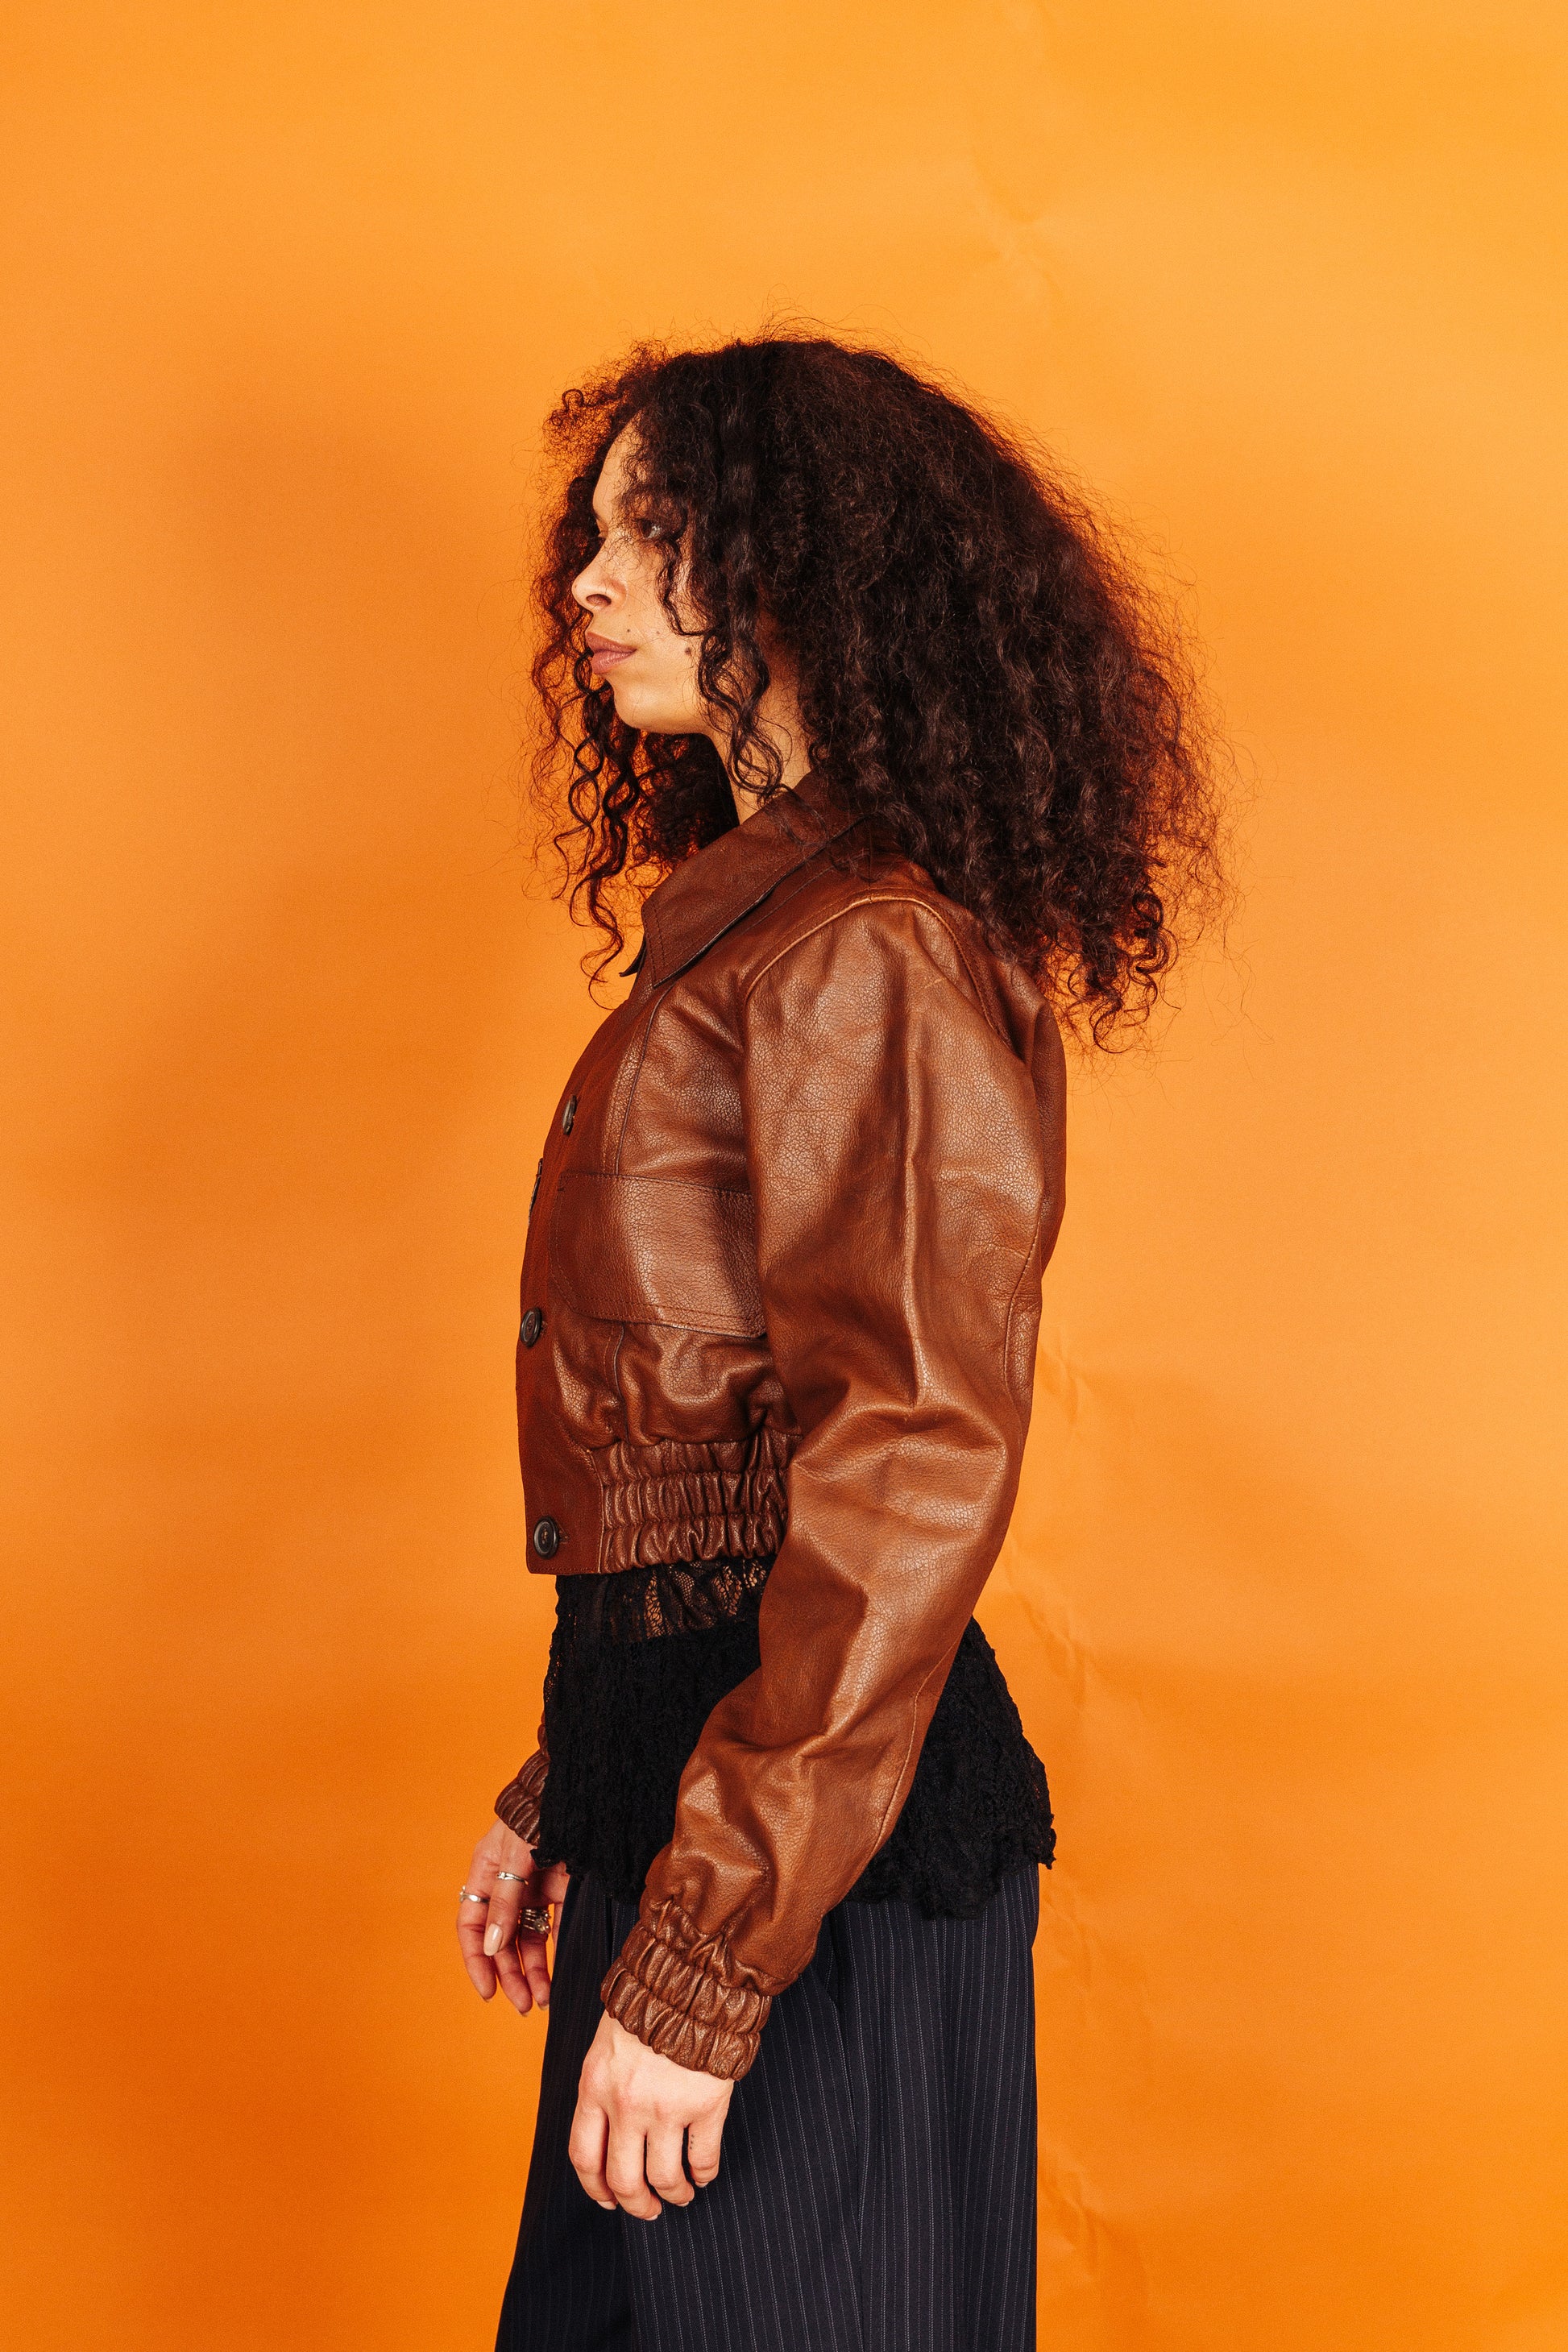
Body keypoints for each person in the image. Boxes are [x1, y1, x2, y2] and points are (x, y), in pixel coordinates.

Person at [456, 334, 1222, 2352]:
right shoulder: (752, 933)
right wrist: (576, 1774)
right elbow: (723, 1459)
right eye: (590, 535)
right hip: (715, 1819)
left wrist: (712, 1949)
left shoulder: (861, 945)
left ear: (798, 568)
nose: (588, 581)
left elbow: (900, 1464)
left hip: (805, 1884)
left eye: (655, 531)